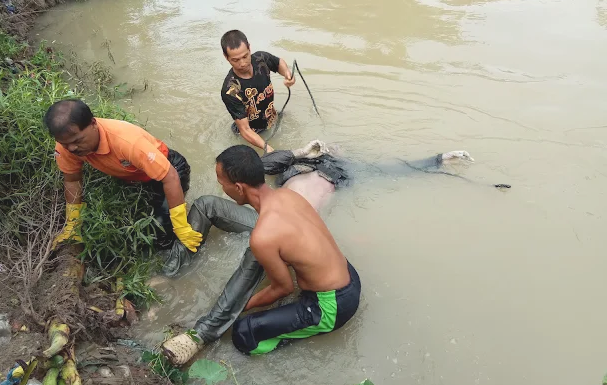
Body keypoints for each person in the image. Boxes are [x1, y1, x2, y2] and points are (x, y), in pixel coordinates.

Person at [160, 141, 476, 365]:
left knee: (244, 337)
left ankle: (285, 334)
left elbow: (281, 289)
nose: (222, 188)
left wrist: (242, 309)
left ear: (239, 188)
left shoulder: (263, 235)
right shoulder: (288, 198)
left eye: (222, 181)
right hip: (347, 274)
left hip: (333, 306)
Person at [43, 99, 202, 252]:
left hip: (170, 169)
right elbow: (72, 180)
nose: (71, 148)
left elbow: (170, 177)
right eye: (65, 143)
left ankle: (171, 262)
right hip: (133, 176)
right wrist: (73, 223)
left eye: (78, 140)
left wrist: (181, 226)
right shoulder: (67, 146)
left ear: (93, 124)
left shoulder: (128, 142)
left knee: (161, 230)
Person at [220, 30, 296, 153]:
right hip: (253, 134)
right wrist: (268, 149)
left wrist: (288, 75)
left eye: (245, 56)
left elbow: (278, 63)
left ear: (249, 48)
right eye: (235, 60)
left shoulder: (261, 59)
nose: (242, 63)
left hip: (272, 118)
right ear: (226, 57)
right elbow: (245, 130)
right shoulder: (231, 91)